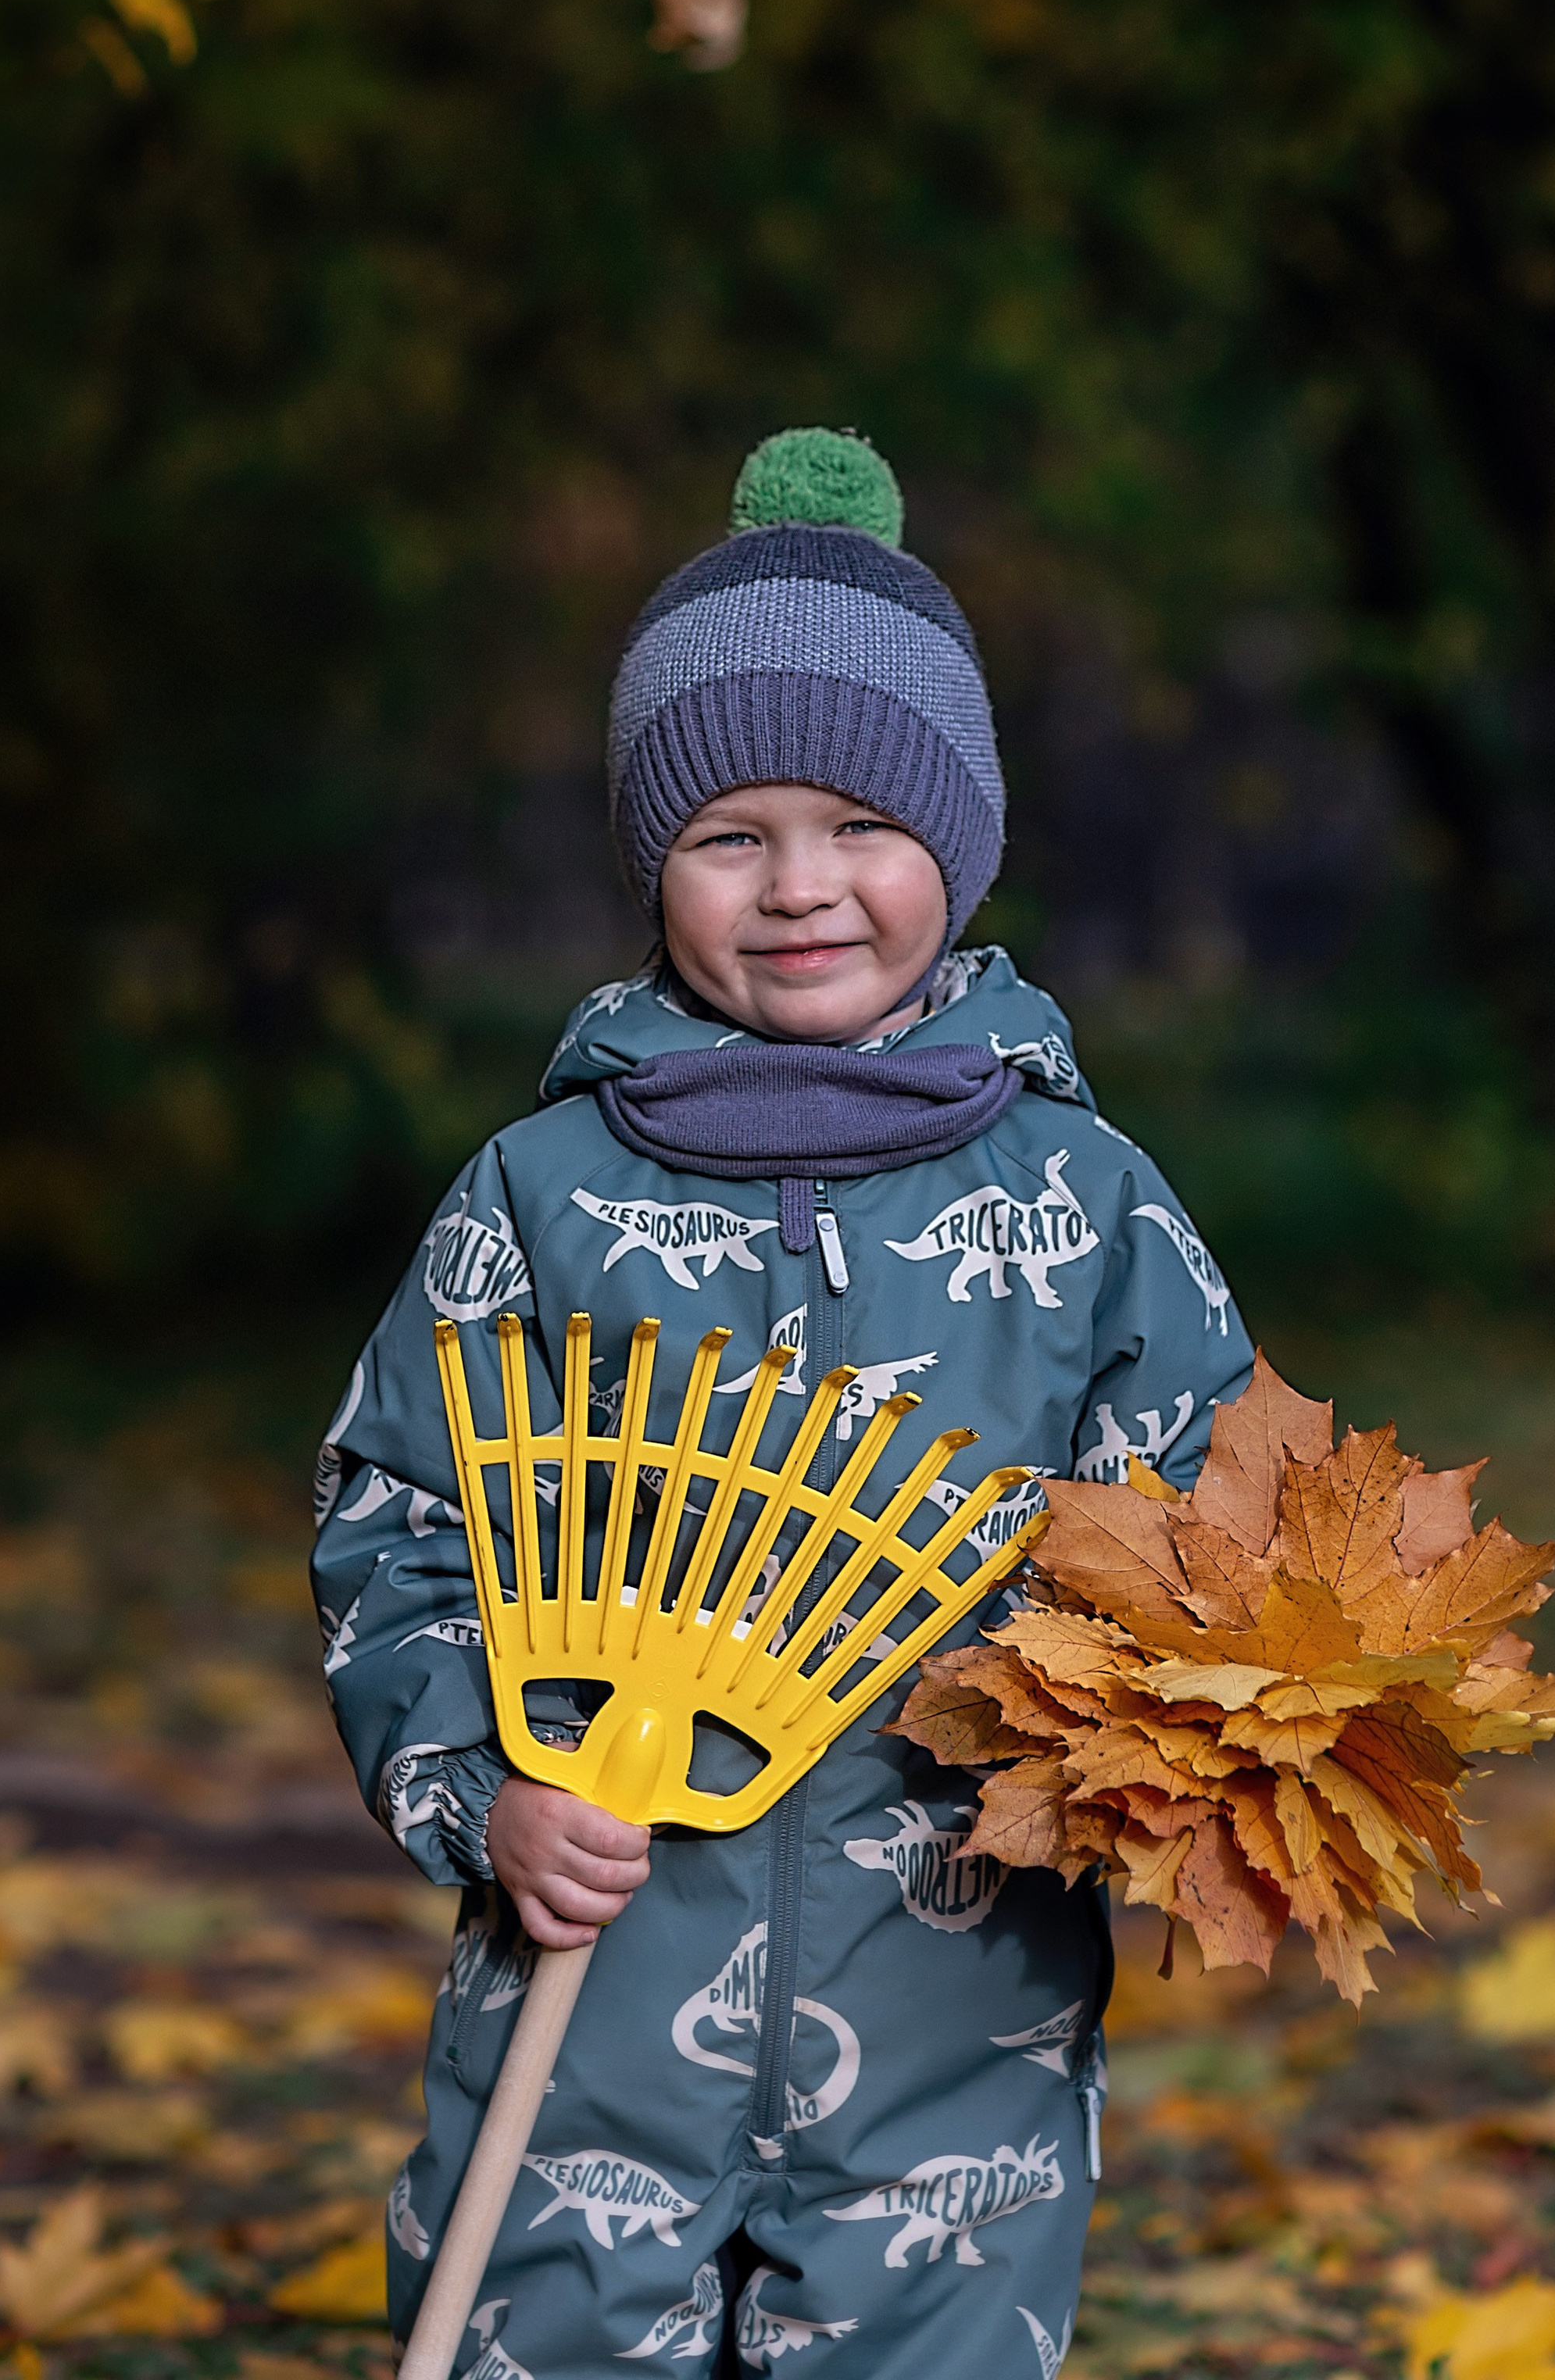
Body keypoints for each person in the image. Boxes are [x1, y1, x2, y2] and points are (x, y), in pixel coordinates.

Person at [313, 428, 1255, 2380]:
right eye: (727, 836)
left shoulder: (1086, 1210)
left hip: (955, 2029)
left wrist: (1164, 1761)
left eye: (857, 826)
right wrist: (477, 1790)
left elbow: (1214, 1568)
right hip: (586, 2003)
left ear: (958, 842)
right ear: (654, 863)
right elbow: (395, 1528)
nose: (799, 888)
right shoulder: (539, 1197)